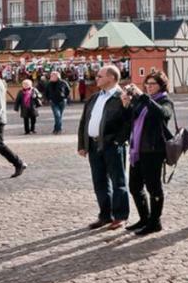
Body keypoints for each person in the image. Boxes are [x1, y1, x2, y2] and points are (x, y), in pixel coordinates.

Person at [77, 65, 134, 231]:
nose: (97, 78)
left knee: (118, 181)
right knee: (99, 182)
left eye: (100, 76)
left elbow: (128, 121)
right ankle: (105, 215)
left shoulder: (121, 96)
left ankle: (120, 216)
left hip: (112, 145)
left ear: (111, 78)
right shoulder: (94, 98)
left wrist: (119, 140)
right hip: (94, 145)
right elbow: (84, 122)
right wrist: (82, 144)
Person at [127, 71, 174, 235]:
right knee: (134, 186)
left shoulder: (165, 101)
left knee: (154, 188)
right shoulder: (141, 102)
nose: (148, 87)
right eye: (147, 84)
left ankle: (155, 222)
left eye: (152, 84)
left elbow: (163, 113)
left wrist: (143, 98)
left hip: (153, 150)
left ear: (161, 85)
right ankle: (144, 218)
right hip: (137, 150)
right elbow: (132, 119)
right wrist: (128, 103)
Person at [44, 70, 70, 135]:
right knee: (57, 115)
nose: (51, 77)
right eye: (51, 76)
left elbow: (68, 90)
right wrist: (48, 99)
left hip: (62, 101)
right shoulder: (49, 84)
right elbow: (46, 92)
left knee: (59, 116)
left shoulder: (63, 82)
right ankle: (58, 129)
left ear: (57, 76)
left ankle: (56, 129)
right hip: (53, 101)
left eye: (52, 76)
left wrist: (65, 97)